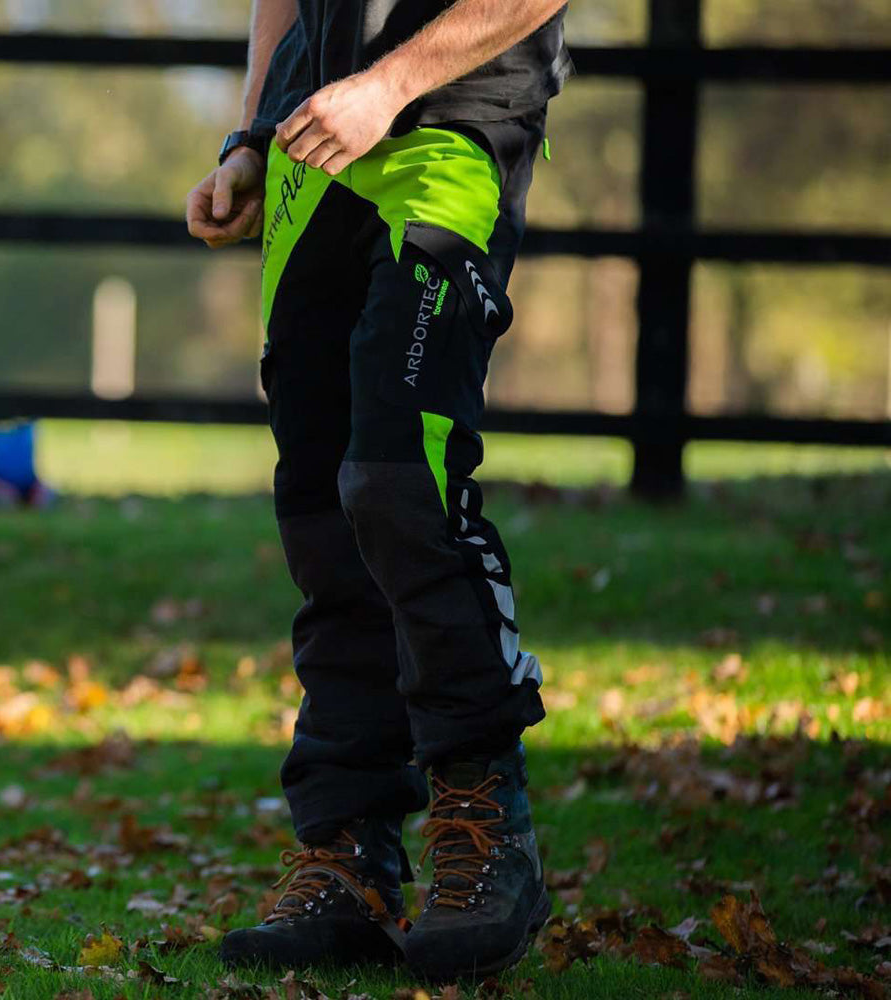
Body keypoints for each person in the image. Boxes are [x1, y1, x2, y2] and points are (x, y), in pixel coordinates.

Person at [186, 0, 572, 980]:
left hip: (450, 132)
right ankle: (347, 856)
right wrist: (250, 136)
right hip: (308, 159)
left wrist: (389, 86)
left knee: (401, 480)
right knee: (319, 510)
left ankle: (484, 824)